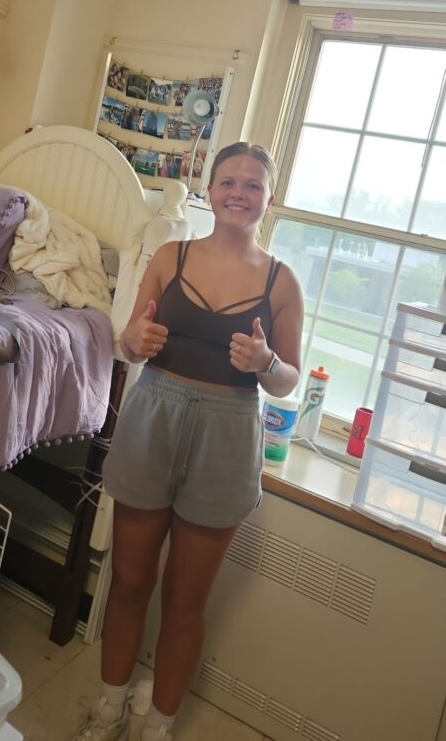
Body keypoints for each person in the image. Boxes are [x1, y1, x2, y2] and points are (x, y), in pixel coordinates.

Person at [70, 142, 304, 741]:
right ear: (209, 186)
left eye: (253, 185)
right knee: (129, 581)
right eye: (229, 180)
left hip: (228, 433)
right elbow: (128, 342)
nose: (239, 192)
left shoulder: (282, 282)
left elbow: (286, 382)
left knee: (183, 600)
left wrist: (265, 358)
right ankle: (110, 704)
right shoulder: (169, 256)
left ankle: (160, 723)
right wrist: (136, 340)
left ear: (268, 198)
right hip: (154, 416)